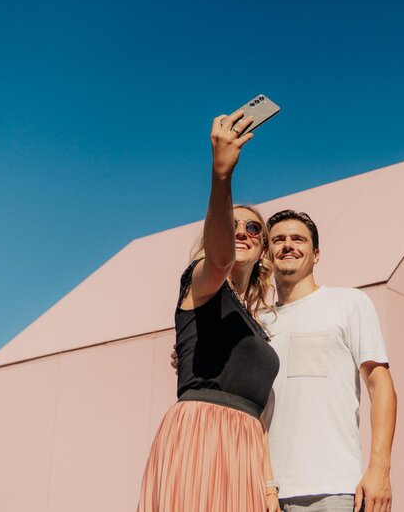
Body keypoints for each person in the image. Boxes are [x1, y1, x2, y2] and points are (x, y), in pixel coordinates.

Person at [139, 110, 282, 512]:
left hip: (246, 448)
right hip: (202, 434)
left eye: (253, 228)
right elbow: (218, 262)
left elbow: (259, 412)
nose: (242, 231)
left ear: (263, 249)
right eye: (232, 223)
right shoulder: (201, 284)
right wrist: (222, 176)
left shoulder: (256, 327)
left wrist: (268, 487)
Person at [262, 210, 397, 512]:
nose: (288, 245)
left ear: (317, 254)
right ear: (267, 254)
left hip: (333, 489)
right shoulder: (257, 323)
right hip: (264, 493)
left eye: (298, 239)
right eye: (278, 240)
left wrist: (380, 470)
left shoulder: (349, 303)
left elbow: (380, 387)